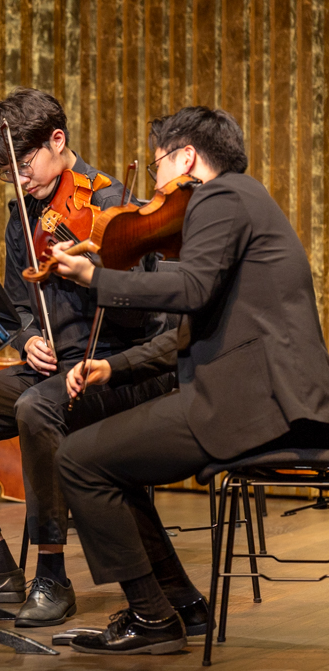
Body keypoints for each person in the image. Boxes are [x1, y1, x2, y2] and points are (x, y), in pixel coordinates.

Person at [49, 106, 329, 654]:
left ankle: (152, 618)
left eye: (157, 166)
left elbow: (193, 290)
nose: (154, 188)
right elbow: (195, 324)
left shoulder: (220, 197)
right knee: (111, 462)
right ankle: (178, 604)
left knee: (78, 459)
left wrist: (96, 277)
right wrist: (116, 365)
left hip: (252, 405)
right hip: (260, 396)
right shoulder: (247, 199)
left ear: (186, 158)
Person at [0, 87, 174, 628]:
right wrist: (27, 336)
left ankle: (51, 573)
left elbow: (146, 315)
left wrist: (99, 270)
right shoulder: (22, 217)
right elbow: (15, 305)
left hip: (110, 369)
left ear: (58, 140)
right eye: (8, 174)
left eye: (23, 167)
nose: (20, 181)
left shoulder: (113, 204)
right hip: (45, 368)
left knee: (36, 409)